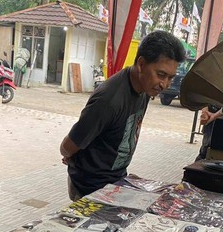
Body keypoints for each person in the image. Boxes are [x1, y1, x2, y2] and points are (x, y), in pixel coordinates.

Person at [60, 30, 185, 200]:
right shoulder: (109, 99)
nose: (164, 84)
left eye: (171, 77)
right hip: (89, 187)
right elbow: (68, 146)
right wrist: (69, 155)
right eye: (161, 75)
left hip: (116, 180)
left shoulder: (145, 89)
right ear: (141, 64)